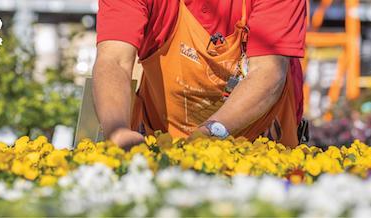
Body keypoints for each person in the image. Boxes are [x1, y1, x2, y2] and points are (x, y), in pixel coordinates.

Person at [92, 0, 307, 147]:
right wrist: (118, 131)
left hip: (263, 155)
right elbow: (114, 60)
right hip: (162, 151)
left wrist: (210, 132)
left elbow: (268, 72)